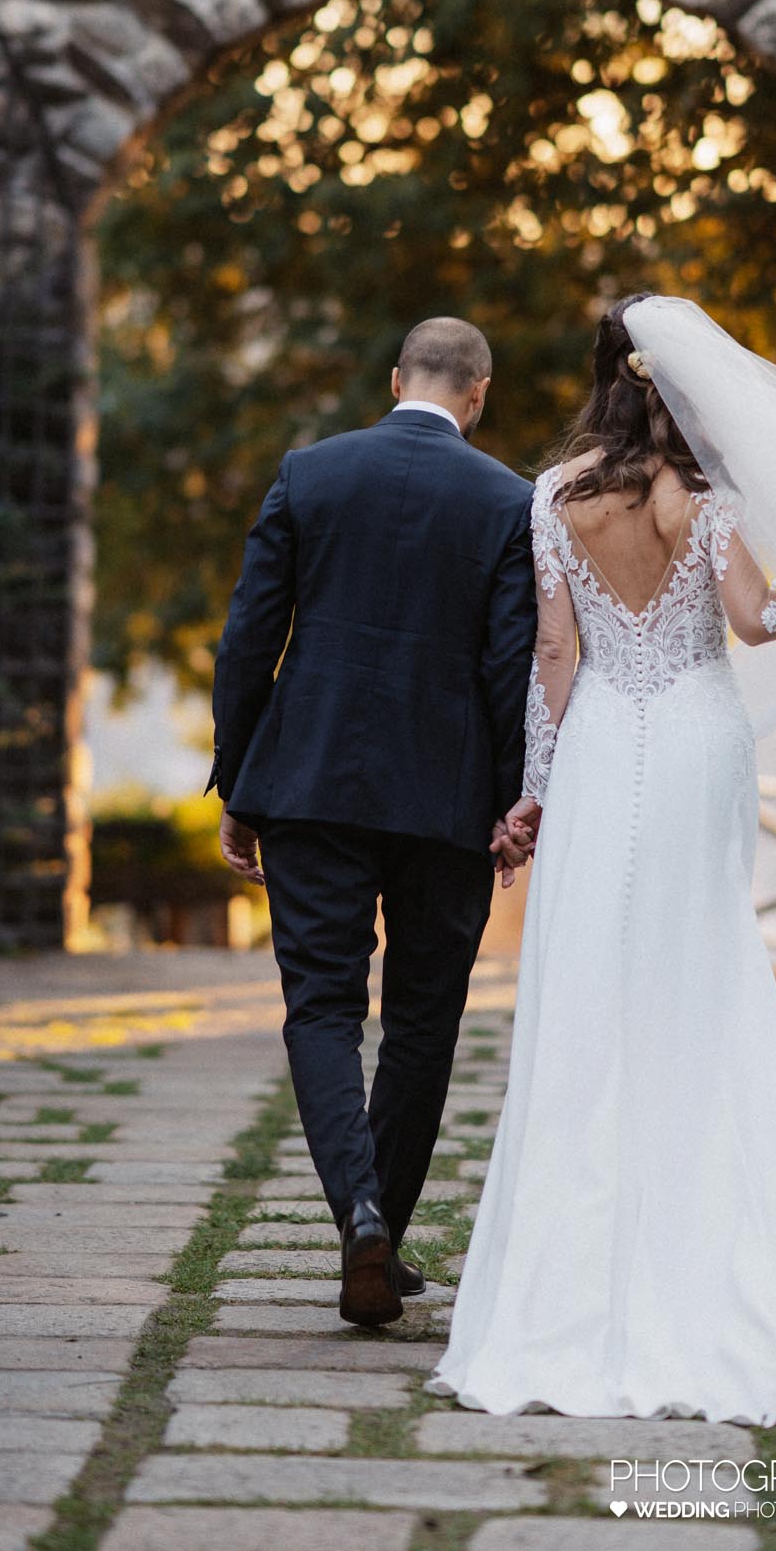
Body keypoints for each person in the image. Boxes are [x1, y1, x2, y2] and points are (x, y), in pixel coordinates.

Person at [432, 292, 776, 1422]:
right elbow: (756, 623)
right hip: (694, 737)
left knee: (591, 980)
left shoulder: (553, 496)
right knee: (704, 970)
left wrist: (535, 787)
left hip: (598, 741)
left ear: (601, 380)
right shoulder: (706, 502)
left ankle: (563, 1289)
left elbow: (553, 653)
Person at [206, 317, 537, 1327]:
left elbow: (248, 637)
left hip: (311, 782)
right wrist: (513, 800)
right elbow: (510, 665)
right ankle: (378, 1223)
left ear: (396, 379)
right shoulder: (508, 500)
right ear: (478, 393)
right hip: (446, 797)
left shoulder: (309, 474)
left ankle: (360, 1215)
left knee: (321, 1007)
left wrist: (240, 780)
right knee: (423, 1020)